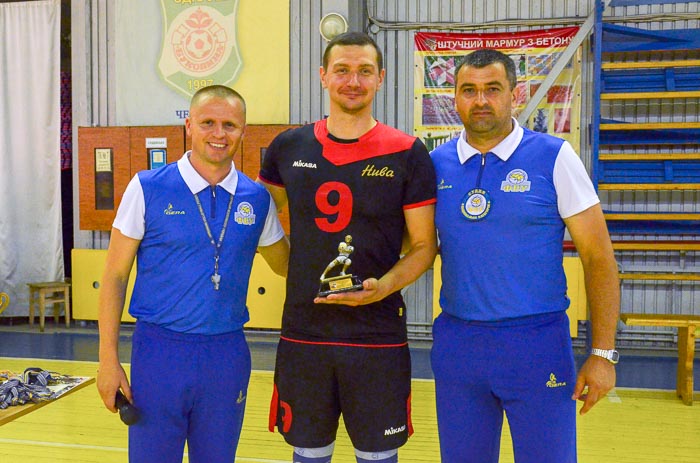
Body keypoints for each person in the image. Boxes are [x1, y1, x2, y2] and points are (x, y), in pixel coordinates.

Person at [430, 48, 620, 462]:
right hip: (459, 348)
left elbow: (599, 258)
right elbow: (414, 250)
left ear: (515, 94)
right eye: (469, 90)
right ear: (455, 98)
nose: (481, 100)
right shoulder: (434, 165)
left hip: (536, 347)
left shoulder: (554, 157)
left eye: (492, 89)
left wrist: (602, 354)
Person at [258, 32, 437, 463]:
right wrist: (292, 268)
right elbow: (258, 220)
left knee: (377, 456)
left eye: (363, 71)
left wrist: (383, 286)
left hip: (376, 335)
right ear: (323, 76)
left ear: (381, 78)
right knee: (309, 454)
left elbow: (424, 246)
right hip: (304, 333)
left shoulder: (408, 152)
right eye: (342, 70)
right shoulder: (287, 147)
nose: (352, 80)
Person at [96, 85, 289, 463]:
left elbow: (287, 266)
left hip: (226, 354)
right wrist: (107, 360)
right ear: (189, 126)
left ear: (244, 130)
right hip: (160, 353)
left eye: (230, 125)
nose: (219, 134)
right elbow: (115, 276)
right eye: (208, 123)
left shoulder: (256, 198)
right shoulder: (148, 187)